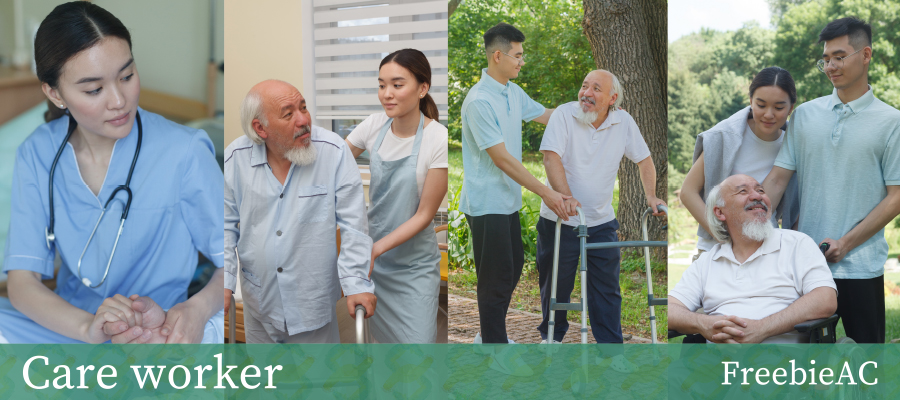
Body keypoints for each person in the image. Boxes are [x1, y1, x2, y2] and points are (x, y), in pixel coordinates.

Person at [0, 2, 224, 344]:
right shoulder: (39, 151)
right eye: (94, 89)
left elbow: (238, 261)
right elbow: (22, 281)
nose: (119, 100)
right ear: (55, 93)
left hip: (154, 334)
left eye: (127, 76)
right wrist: (86, 328)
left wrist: (195, 311)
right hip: (69, 326)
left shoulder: (184, 150)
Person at [763, 17, 900, 343]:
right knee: (805, 366)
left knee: (868, 370)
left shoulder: (891, 122)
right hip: (807, 265)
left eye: (839, 56)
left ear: (865, 55)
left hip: (861, 266)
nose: (830, 66)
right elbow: (778, 179)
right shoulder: (805, 116)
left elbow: (896, 196)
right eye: (825, 58)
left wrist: (846, 244)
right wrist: (748, 225)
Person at [224, 80, 376, 343]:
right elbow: (223, 226)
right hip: (260, 303)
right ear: (260, 128)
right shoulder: (235, 158)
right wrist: (223, 280)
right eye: (289, 113)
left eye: (303, 108)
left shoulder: (333, 151)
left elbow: (354, 226)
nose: (303, 119)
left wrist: (356, 283)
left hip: (312, 304)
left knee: (318, 383)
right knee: (266, 382)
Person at [536, 70, 665, 348]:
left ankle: (609, 348)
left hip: (601, 221)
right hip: (560, 219)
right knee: (556, 285)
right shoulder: (564, 115)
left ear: (612, 98)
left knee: (607, 288)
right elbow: (550, 157)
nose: (586, 93)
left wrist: (651, 196)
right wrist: (565, 198)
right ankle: (552, 339)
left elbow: (644, 160)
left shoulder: (624, 122)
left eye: (596, 89)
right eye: (584, 86)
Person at [460, 22, 569, 346]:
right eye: (518, 55)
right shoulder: (479, 101)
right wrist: (547, 192)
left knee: (513, 268)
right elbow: (503, 159)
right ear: (498, 55)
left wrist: (588, 109)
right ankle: (495, 347)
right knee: (496, 279)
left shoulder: (511, 91)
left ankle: (487, 336)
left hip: (506, 201)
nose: (522, 61)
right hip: (485, 202)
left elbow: (547, 114)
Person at [345, 49, 447, 343]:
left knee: (417, 350)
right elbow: (332, 166)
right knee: (384, 354)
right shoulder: (373, 125)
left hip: (412, 267)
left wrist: (374, 249)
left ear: (422, 88)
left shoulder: (437, 138)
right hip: (375, 264)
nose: (387, 94)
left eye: (397, 85)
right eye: (381, 85)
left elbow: (424, 215)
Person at [669, 175, 837, 343]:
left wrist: (762, 328)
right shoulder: (707, 262)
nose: (758, 196)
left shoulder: (797, 244)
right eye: (743, 191)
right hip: (717, 365)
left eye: (761, 190)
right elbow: (668, 309)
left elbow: (825, 299)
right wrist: (703, 324)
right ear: (720, 212)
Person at [680, 67, 801, 261]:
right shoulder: (723, 137)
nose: (769, 114)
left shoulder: (794, 146)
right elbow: (688, 191)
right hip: (716, 250)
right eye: (761, 105)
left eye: (779, 108)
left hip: (766, 252)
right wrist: (723, 236)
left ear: (791, 108)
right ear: (751, 101)